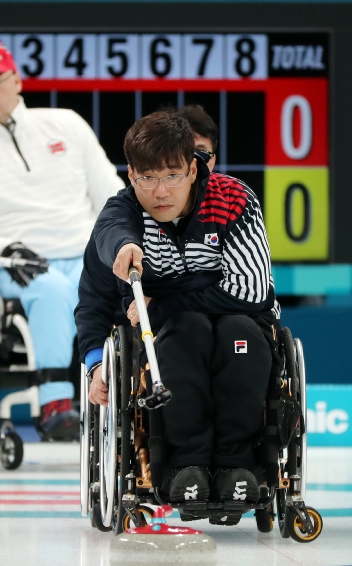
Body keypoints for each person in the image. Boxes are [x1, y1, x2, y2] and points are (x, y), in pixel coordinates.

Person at [76, 110, 278, 505]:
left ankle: (238, 465)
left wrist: (161, 303)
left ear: (193, 169)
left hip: (243, 326)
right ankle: (186, 466)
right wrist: (97, 364)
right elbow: (94, 297)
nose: (160, 191)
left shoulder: (235, 200)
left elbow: (253, 292)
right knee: (187, 331)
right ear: (131, 176)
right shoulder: (122, 215)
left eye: (172, 175)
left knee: (236, 331)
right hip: (173, 337)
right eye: (147, 177)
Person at [0, 39, 125, 440]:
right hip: (15, 266)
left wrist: (109, 243)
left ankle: (135, 393)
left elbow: (111, 192)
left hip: (87, 253)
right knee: (53, 289)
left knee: (131, 284)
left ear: (16, 80)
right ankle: (55, 402)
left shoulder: (67, 124)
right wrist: (5, 251)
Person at [177, 104, 218, 172]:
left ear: (212, 163)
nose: (191, 163)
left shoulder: (232, 183)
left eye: (200, 154)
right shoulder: (156, 182)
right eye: (183, 152)